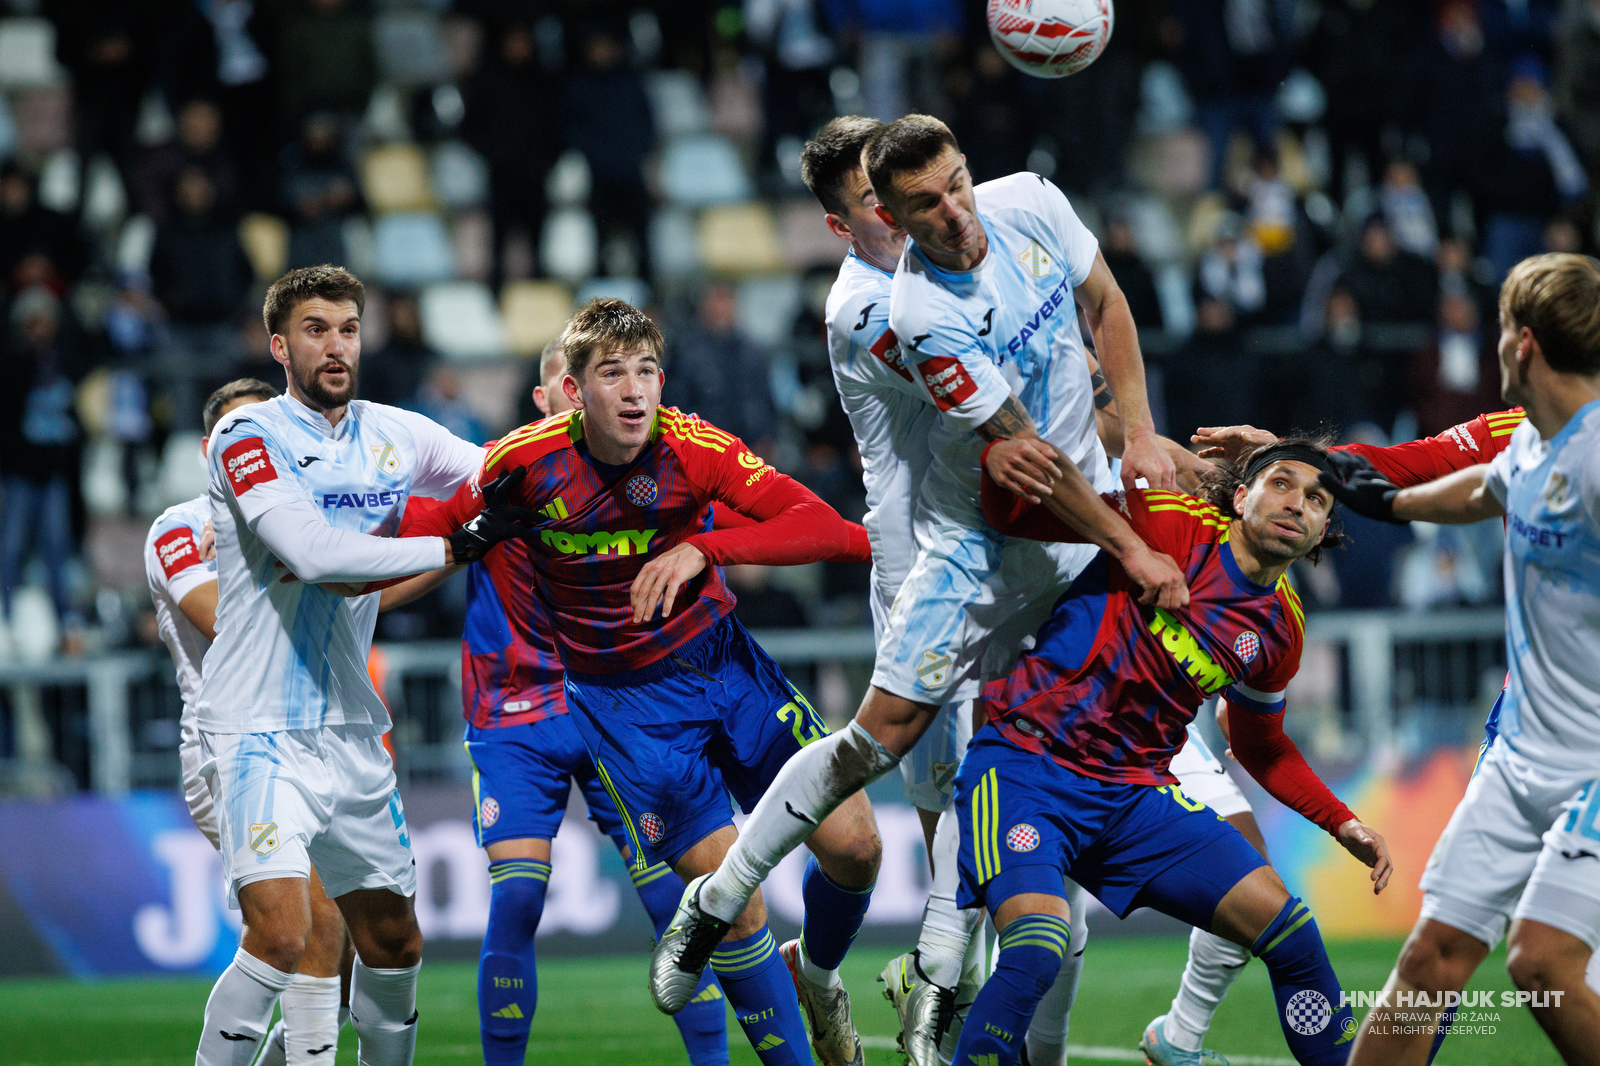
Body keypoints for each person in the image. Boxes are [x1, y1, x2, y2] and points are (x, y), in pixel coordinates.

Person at [657, 113, 1187, 1064]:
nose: (936, 215)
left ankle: (944, 984)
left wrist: (1144, 438)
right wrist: (1131, 535)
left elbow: (1093, 324)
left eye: (951, 185)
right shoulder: (879, 310)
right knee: (903, 761)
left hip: (1059, 539)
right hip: (943, 554)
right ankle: (726, 898)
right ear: (858, 218)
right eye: (888, 204)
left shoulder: (1025, 207)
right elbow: (1022, 443)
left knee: (1018, 794)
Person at [403, 298, 882, 1066]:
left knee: (857, 846)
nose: (634, 392)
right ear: (573, 391)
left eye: (647, 372)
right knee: (738, 908)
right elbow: (419, 537)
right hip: (626, 712)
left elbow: (824, 527)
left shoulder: (693, 446)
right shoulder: (517, 465)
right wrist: (332, 573)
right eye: (613, 374)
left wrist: (707, 550)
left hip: (726, 668)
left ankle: (816, 975)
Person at [954, 436, 1392, 1066]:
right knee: (1037, 946)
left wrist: (1342, 821)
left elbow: (1260, 744)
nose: (1297, 504)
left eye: (1317, 500)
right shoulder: (1168, 522)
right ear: (1240, 497)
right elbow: (1018, 515)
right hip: (1029, 766)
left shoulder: (1282, 627)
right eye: (1281, 484)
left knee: (1291, 932)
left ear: (1322, 531)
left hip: (1134, 796)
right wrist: (997, 465)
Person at [190, 265, 530, 1066]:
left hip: (349, 728)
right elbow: (314, 556)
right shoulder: (248, 437)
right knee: (282, 934)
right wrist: (454, 545)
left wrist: (570, 460)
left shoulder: (394, 435)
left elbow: (492, 472)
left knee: (394, 942)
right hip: (258, 727)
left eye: (348, 328)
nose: (336, 345)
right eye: (315, 330)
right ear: (280, 346)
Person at [378, 340, 734, 1066]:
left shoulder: (648, 475)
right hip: (514, 716)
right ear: (546, 398)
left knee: (673, 903)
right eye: (569, 389)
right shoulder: (493, 475)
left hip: (613, 708)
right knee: (517, 899)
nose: (584, 403)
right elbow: (390, 567)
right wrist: (464, 544)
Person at [1320, 253, 1600, 1066]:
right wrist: (1376, 498)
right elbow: (1480, 490)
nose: (1493, 345)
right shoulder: (1535, 442)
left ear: (1524, 344)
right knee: (1429, 961)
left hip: (1593, 766)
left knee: (1540, 961)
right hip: (1519, 761)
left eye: (1502, 329)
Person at [147, 377, 360, 1066]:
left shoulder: (309, 519)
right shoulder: (179, 528)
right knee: (305, 928)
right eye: (234, 435)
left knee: (348, 944)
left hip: (316, 740)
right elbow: (221, 620)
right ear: (208, 450)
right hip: (230, 745)